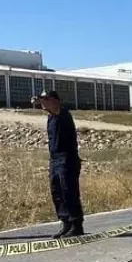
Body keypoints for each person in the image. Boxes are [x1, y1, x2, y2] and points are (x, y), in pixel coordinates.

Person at [38, 89, 85, 237]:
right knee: (56, 191)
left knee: (69, 191)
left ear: (55, 101)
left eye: (47, 99)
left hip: (67, 158)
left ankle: (76, 224)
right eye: (42, 100)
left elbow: (56, 111)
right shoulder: (50, 117)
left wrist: (47, 104)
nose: (43, 102)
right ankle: (66, 223)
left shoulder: (63, 113)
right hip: (55, 158)